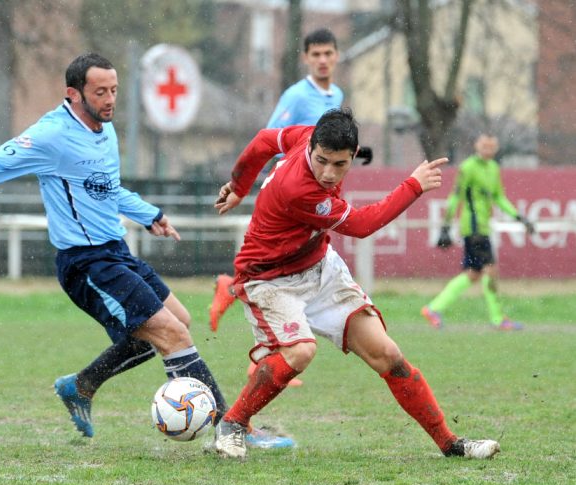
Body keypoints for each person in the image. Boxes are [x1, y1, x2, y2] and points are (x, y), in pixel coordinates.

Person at [0, 53, 292, 449]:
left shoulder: (104, 130)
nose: (110, 99)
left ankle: (82, 385)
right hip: (86, 263)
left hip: (116, 251)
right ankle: (232, 429)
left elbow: (107, 189)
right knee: (171, 333)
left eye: (113, 89)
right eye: (100, 92)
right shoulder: (51, 135)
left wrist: (150, 215)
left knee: (178, 320)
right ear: (73, 94)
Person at [210, 107, 501, 460]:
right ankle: (233, 423)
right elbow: (362, 225)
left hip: (319, 268)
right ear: (311, 147)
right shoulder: (298, 189)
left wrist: (240, 187)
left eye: (340, 164)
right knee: (300, 352)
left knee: (389, 355)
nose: (329, 173)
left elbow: (261, 142)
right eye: (322, 161)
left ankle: (450, 444)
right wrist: (413, 186)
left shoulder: (305, 136)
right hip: (270, 280)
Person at [209, 28, 344, 336]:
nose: (323, 60)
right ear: (305, 58)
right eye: (316, 54)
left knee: (295, 272)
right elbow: (269, 139)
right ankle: (234, 292)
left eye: (328, 54)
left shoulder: (336, 96)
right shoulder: (296, 96)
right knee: (285, 272)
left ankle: (233, 291)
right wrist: (275, 186)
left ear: (337, 56)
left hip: (319, 193)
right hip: (293, 196)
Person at [421, 133, 535, 330]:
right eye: (484, 146)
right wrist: (446, 224)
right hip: (473, 228)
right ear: (477, 146)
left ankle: (433, 308)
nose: (487, 150)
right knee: (490, 270)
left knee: (473, 273)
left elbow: (499, 198)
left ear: (495, 148)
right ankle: (498, 319)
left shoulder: (494, 168)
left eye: (491, 147)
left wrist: (519, 217)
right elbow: (456, 196)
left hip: (483, 227)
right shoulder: (468, 168)